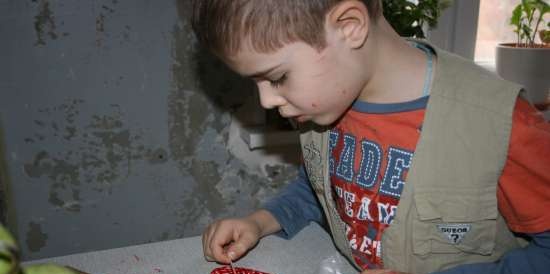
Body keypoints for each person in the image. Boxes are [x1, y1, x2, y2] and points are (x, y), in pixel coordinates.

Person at [189, 0, 550, 273]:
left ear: (349, 27)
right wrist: (261, 221)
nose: (267, 100)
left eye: (278, 77)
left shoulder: (502, 124)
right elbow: (327, 188)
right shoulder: (328, 103)